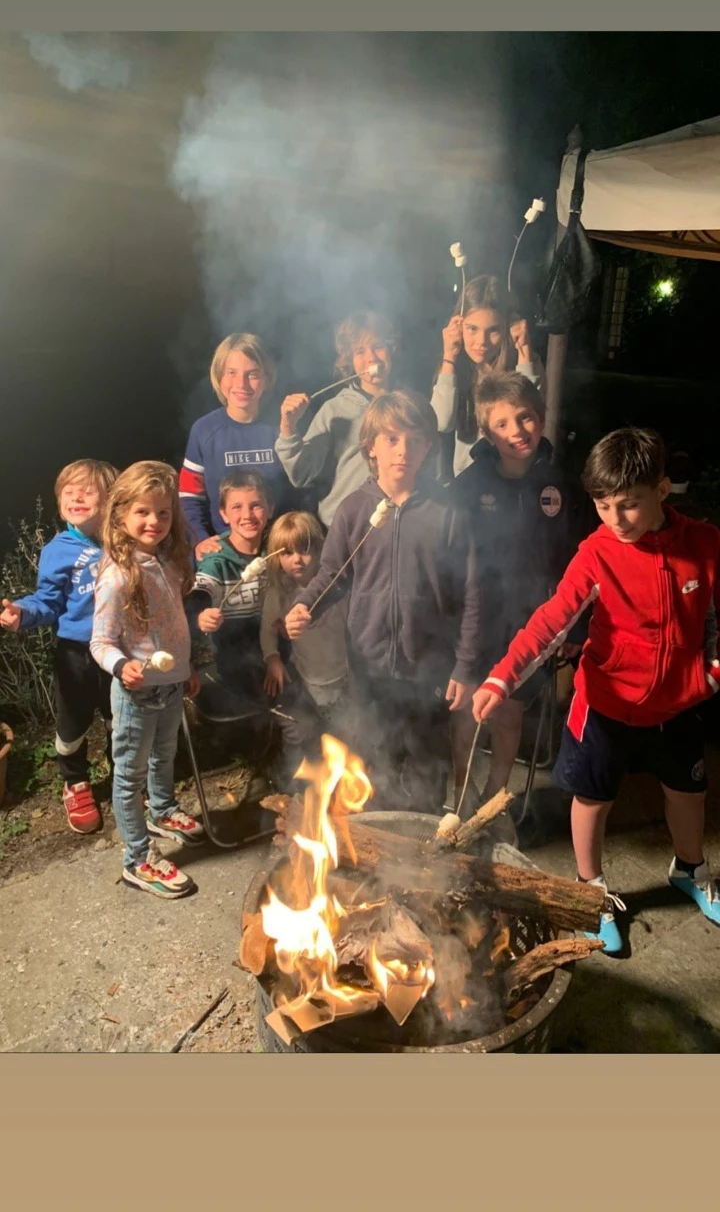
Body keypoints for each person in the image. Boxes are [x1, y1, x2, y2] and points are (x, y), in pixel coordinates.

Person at [472, 427, 720, 954]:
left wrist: (712, 672)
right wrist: (502, 676)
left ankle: (690, 869)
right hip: (605, 704)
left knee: (689, 792)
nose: (615, 519)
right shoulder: (596, 554)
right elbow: (550, 621)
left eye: (628, 504)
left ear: (662, 490)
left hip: (678, 704)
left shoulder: (704, 544)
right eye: (603, 506)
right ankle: (590, 891)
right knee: (592, 798)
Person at [285, 390, 482, 815]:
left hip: (430, 668)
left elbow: (471, 595)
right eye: (391, 439)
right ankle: (377, 840)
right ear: (370, 446)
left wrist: (466, 667)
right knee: (373, 764)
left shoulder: (448, 513)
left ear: (428, 447)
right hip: (368, 666)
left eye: (414, 440)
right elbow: (333, 575)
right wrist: (306, 606)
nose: (403, 450)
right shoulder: (353, 510)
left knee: (428, 765)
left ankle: (426, 838)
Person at [450, 373, 592, 832]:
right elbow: (449, 557)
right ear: (486, 432)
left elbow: (582, 560)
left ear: (541, 417)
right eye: (502, 424)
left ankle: (494, 799)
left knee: (509, 711)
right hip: (476, 619)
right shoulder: (469, 486)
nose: (517, 431)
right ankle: (460, 795)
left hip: (534, 621)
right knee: (467, 711)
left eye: (525, 417)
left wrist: (578, 627)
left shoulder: (561, 486)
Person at [90, 461, 205, 900]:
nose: (154, 521)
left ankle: (162, 809)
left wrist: (186, 668)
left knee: (165, 755)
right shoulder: (118, 576)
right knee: (129, 776)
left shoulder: (168, 563)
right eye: (142, 511)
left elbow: (173, 627)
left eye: (163, 512)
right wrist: (121, 666)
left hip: (171, 687)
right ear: (120, 514)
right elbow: (100, 641)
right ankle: (137, 859)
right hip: (136, 695)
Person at [0, 459, 119, 834]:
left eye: (88, 491)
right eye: (69, 492)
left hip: (118, 649)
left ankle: (124, 776)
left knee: (120, 718)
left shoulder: (123, 540)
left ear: (111, 499)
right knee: (72, 725)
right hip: (75, 654)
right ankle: (75, 782)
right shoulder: (57, 550)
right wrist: (22, 612)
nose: (76, 498)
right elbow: (47, 601)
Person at [274, 310, 394, 528]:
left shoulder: (406, 406)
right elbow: (301, 474)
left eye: (378, 346)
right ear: (349, 361)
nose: (372, 358)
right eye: (360, 351)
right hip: (344, 528)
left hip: (395, 526)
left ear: (391, 349)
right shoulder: (334, 410)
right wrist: (288, 427)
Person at [179, 333, 290, 561]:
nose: (241, 384)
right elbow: (189, 498)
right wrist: (200, 539)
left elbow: (300, 491)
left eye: (252, 374)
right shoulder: (204, 431)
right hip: (224, 556)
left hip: (277, 554)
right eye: (232, 373)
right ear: (219, 376)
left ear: (267, 379)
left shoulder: (283, 426)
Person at [260, 510, 349, 783]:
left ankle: (342, 786)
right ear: (276, 557)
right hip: (306, 677)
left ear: (320, 549)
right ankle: (298, 785)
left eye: (305, 550)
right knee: (304, 734)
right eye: (287, 553)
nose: (297, 559)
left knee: (342, 735)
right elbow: (267, 630)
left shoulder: (335, 588)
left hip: (343, 676)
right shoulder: (279, 593)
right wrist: (273, 658)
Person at [431, 275, 545, 477]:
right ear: (458, 327)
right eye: (472, 329)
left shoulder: (524, 363)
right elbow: (441, 421)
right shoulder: (455, 367)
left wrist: (524, 351)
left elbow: (534, 414)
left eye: (493, 330)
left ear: (507, 328)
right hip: (469, 480)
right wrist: (449, 358)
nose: (481, 341)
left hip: (516, 478)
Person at [186, 469, 274, 730]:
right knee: (247, 720)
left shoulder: (276, 548)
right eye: (237, 507)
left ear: (270, 508)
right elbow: (202, 591)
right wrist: (200, 615)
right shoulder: (216, 559)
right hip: (232, 659)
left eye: (256, 505)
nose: (247, 515)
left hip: (275, 651)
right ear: (223, 514)